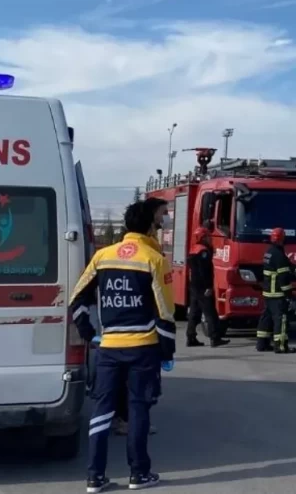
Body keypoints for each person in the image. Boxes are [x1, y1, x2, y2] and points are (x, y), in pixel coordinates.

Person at [69, 198, 176, 492]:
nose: (164, 221)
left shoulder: (103, 256)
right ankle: (138, 474)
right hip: (144, 347)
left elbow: (76, 300)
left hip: (109, 347)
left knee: (102, 409)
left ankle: (94, 477)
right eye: (161, 217)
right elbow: (166, 314)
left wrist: (89, 333)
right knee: (139, 409)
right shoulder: (154, 260)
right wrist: (166, 353)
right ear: (150, 224)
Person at [186, 225, 230, 348]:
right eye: (208, 237)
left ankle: (191, 337)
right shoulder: (203, 251)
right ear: (203, 237)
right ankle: (215, 338)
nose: (210, 239)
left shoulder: (193, 249)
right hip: (202, 287)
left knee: (194, 312)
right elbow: (205, 272)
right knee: (210, 312)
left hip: (194, 286)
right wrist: (209, 287)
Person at [255, 227, 296, 354]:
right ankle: (281, 346)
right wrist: (289, 294)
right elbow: (283, 278)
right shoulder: (279, 255)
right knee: (281, 318)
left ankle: (262, 344)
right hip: (277, 292)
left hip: (268, 291)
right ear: (283, 239)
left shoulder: (269, 252)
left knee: (266, 317)